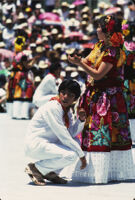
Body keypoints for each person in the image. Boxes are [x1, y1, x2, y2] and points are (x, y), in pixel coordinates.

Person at [67, 15, 135, 184]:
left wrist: (80, 64)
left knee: (103, 133)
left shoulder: (113, 51)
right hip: (97, 95)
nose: (96, 29)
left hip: (108, 98)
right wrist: (80, 61)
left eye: (99, 27)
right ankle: (96, 172)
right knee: (95, 133)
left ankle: (105, 174)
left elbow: (98, 74)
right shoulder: (100, 46)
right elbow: (90, 64)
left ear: (106, 31)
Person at [24, 79, 87, 186]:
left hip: (49, 144)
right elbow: (64, 136)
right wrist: (82, 156)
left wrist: (81, 120)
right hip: (36, 144)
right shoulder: (53, 107)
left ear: (75, 99)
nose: (65, 97)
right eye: (63, 93)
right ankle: (36, 168)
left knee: (76, 141)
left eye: (70, 95)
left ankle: (49, 172)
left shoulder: (67, 110)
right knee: (71, 155)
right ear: (59, 93)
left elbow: (71, 134)